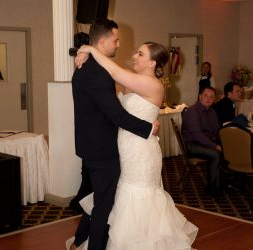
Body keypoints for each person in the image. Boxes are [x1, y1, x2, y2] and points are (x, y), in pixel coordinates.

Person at [71, 39, 198, 248]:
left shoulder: (152, 84)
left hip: (140, 152)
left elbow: (114, 72)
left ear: (152, 63)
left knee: (137, 199)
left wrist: (91, 50)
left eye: (140, 54)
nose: (134, 56)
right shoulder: (137, 81)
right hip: (127, 149)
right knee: (120, 197)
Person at [67, 19, 160, 250]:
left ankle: (81, 239)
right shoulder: (98, 72)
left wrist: (85, 49)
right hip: (104, 149)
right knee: (104, 204)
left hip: (98, 146)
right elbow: (117, 115)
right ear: (103, 41)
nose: (119, 45)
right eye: (116, 40)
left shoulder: (84, 67)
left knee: (101, 197)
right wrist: (149, 128)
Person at [182, 86, 222, 198]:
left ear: (214, 99)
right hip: (192, 144)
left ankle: (223, 182)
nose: (208, 99)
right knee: (215, 154)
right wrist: (215, 145)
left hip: (204, 142)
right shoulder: (192, 111)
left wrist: (223, 142)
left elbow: (216, 130)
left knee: (227, 148)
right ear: (200, 97)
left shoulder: (212, 112)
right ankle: (212, 190)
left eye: (211, 97)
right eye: (206, 96)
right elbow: (198, 135)